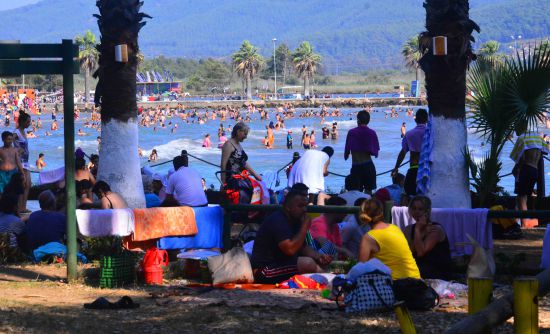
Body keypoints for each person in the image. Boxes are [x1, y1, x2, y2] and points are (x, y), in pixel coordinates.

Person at [250, 183, 332, 284]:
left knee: (320, 262)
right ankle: (328, 280)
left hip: (281, 264)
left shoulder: (295, 219)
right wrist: (304, 227)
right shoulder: (278, 220)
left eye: (305, 206)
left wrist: (318, 256)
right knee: (307, 263)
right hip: (264, 270)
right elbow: (290, 249)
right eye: (300, 206)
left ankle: (328, 279)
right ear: (288, 207)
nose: (304, 209)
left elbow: (302, 247)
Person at [358, 198, 420, 280]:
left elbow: (360, 269)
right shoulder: (395, 228)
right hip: (416, 279)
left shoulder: (369, 237)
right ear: (382, 212)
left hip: (396, 285)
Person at [403, 195, 452, 280]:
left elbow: (420, 252)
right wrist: (421, 234)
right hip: (417, 270)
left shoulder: (435, 229)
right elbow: (409, 252)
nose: (416, 212)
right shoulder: (408, 229)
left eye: (420, 209)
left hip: (436, 272)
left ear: (427, 211)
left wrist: (418, 229)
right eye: (414, 208)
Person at [510, 122, 549, 227]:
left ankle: (524, 225)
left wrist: (515, 169)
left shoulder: (523, 138)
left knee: (522, 197)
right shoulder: (538, 138)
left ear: (520, 126)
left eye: (515, 127)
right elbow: (545, 151)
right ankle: (516, 222)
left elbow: (519, 158)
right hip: (535, 170)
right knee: (522, 196)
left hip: (525, 169)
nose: (515, 130)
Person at [392, 108, 428, 197]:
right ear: (427, 119)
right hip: (428, 170)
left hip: (414, 169)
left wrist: (396, 167)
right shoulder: (431, 133)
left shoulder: (409, 134)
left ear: (415, 120)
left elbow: (402, 153)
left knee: (409, 196)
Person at [344, 110, 380, 194]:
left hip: (356, 166)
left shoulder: (351, 132)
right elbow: (375, 152)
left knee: (356, 193)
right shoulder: (372, 133)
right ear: (368, 121)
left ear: (358, 120)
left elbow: (346, 152)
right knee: (368, 193)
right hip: (368, 165)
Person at [220, 122, 262, 186]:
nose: (246, 137)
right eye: (245, 134)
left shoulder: (238, 145)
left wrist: (256, 175)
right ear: (238, 131)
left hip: (241, 178)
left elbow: (244, 163)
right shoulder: (228, 144)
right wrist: (223, 183)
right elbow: (223, 164)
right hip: (232, 180)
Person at [13, 111, 31, 213]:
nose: (29, 124)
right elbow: (9, 139)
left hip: (26, 161)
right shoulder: (17, 132)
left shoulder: (23, 131)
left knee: (28, 185)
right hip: (20, 162)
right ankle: (20, 207)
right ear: (22, 122)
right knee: (24, 184)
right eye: (28, 122)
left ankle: (22, 207)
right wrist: (16, 150)